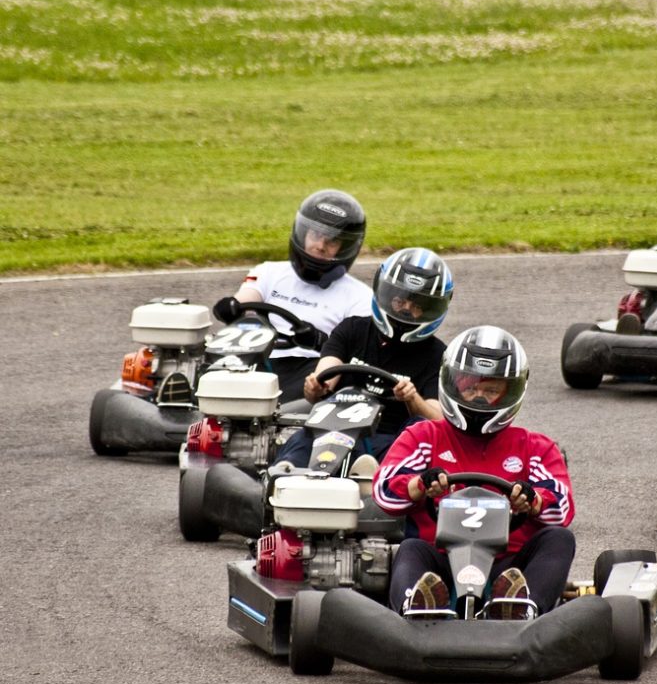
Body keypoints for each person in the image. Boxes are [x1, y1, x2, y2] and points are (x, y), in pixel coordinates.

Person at [372, 326, 575, 621]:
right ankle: (419, 609)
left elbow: (562, 508)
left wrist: (532, 501)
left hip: (510, 567)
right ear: (452, 384)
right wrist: (420, 485)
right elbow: (385, 492)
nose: (479, 398)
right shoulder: (424, 436)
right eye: (470, 388)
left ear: (512, 392)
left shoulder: (534, 447)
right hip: (438, 562)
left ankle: (521, 609)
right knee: (410, 548)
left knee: (559, 538)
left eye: (491, 391)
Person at [275, 247, 454, 467]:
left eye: (416, 306)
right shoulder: (352, 330)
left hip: (390, 438)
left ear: (432, 309)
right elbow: (325, 375)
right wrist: (316, 386)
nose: (405, 310)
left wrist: (412, 398)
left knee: (401, 456)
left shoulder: (436, 355)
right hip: (330, 430)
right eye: (399, 301)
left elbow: (437, 419)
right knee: (299, 443)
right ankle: (283, 477)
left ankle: (370, 482)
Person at [212, 189, 372, 400]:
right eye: (315, 235)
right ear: (303, 232)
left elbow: (354, 354)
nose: (320, 246)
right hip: (256, 360)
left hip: (310, 371)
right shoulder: (269, 272)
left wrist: (319, 341)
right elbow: (245, 299)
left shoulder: (361, 298)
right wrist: (231, 307)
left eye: (332, 241)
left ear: (346, 247)